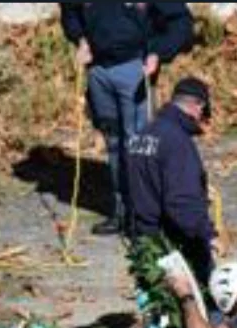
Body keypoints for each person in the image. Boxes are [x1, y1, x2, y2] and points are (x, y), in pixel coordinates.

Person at [59, 3, 193, 236]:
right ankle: (121, 211)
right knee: (113, 143)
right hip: (98, 71)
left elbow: (181, 21)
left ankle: (145, 217)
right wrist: (80, 38)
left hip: (134, 68)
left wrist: (157, 52)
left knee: (138, 144)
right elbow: (70, 12)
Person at [129, 76, 224, 285]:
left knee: (159, 309)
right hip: (174, 244)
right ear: (196, 105)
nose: (202, 118)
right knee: (201, 307)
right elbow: (181, 201)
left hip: (144, 240)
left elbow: (149, 182)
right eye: (203, 111)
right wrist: (208, 234)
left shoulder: (144, 134)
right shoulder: (177, 141)